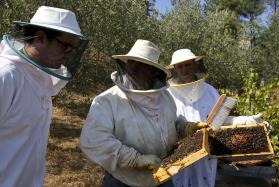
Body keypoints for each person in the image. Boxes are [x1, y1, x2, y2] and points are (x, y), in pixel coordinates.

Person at [0, 6, 88, 187]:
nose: (70, 55)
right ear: (40, 38)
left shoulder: (41, 77)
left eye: (74, 49)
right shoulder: (6, 76)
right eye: (66, 46)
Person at [80, 39, 178, 187]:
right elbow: (94, 139)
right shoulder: (107, 100)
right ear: (125, 64)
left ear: (153, 71)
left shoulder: (165, 97)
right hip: (123, 181)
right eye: (132, 62)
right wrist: (135, 159)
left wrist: (183, 126)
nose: (135, 68)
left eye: (142, 64)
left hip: (163, 176)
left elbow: (171, 121)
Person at [167, 49, 267, 187]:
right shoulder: (168, 94)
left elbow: (220, 120)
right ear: (174, 69)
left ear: (195, 64)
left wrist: (244, 121)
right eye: (180, 66)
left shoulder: (209, 91)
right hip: (179, 156)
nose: (184, 69)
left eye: (187, 65)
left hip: (206, 155)